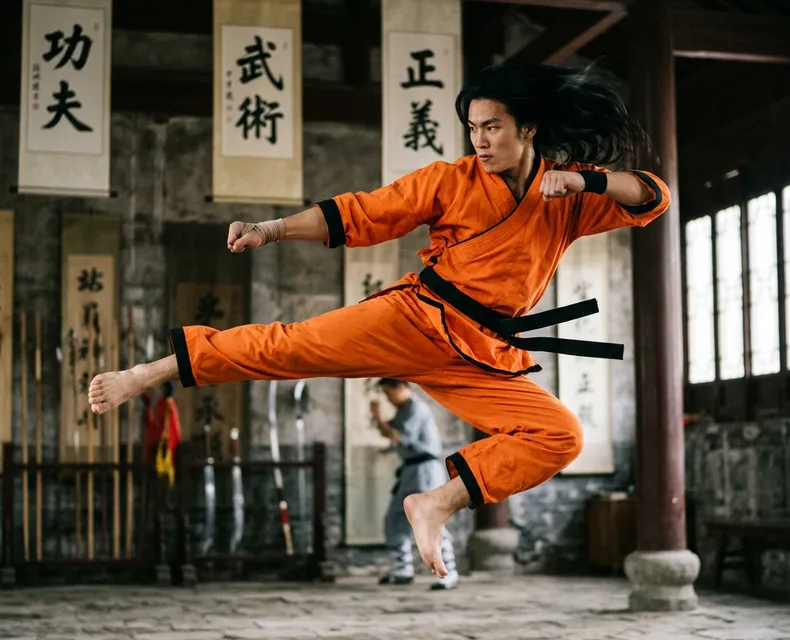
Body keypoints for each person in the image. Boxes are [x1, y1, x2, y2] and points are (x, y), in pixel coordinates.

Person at [88, 63, 670, 582]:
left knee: (560, 434)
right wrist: (270, 230)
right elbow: (361, 213)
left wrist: (584, 180)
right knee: (283, 349)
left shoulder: (563, 195)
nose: (481, 140)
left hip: (478, 353)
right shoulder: (452, 180)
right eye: (473, 127)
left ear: (529, 128)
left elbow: (652, 196)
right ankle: (149, 371)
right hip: (413, 319)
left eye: (492, 126)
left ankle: (436, 502)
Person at [371, 378, 459, 590]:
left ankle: (448, 573)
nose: (388, 398)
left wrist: (377, 416)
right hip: (410, 470)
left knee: (431, 520)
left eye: (388, 393)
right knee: (396, 518)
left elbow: (396, 435)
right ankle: (402, 569)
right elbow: (390, 434)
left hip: (425, 471)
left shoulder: (416, 408)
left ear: (402, 388)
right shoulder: (404, 410)